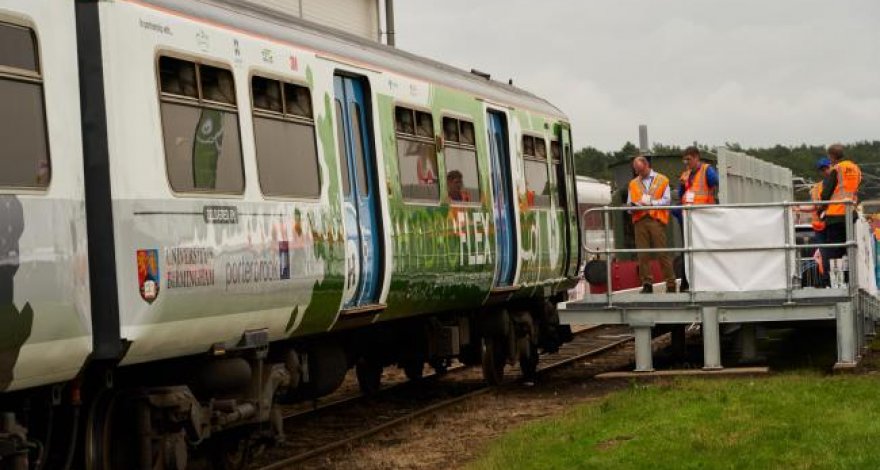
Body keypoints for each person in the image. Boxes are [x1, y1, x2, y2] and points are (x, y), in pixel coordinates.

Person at [627, 156, 676, 293]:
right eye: (636, 171)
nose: (639, 174)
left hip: (656, 219)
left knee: (662, 253)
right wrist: (632, 207)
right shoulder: (633, 183)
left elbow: (667, 201)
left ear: (647, 165)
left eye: (641, 170)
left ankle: (670, 283)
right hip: (639, 220)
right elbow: (629, 204)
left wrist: (651, 203)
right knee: (642, 254)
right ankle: (647, 284)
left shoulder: (662, 180)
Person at [677, 146, 718, 292]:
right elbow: (681, 194)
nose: (686, 163)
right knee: (687, 249)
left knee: (703, 249)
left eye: (688, 159)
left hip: (703, 217)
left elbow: (715, 183)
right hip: (688, 217)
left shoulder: (707, 170)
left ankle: (704, 281)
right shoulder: (685, 174)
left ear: (696, 158)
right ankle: (686, 283)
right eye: (685, 160)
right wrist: (682, 186)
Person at [820, 144, 862, 281]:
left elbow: (826, 194)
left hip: (835, 216)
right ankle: (851, 281)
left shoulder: (836, 169)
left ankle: (837, 283)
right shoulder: (856, 169)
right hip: (851, 215)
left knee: (834, 252)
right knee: (850, 250)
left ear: (831, 156)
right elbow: (855, 190)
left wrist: (821, 209)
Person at [810, 157, 832, 286]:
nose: (825, 171)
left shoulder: (838, 186)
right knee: (824, 253)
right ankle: (826, 280)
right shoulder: (816, 188)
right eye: (822, 169)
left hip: (834, 224)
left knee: (835, 252)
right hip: (820, 227)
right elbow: (814, 206)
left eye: (826, 168)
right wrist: (799, 208)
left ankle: (836, 278)